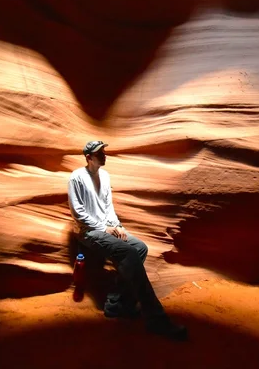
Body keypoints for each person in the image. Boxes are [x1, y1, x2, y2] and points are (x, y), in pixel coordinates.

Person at [67, 140, 188, 341]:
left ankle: (116, 305)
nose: (104, 155)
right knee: (129, 252)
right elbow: (77, 212)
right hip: (88, 232)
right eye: (100, 153)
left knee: (139, 248)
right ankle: (155, 318)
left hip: (108, 227)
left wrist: (118, 226)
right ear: (89, 157)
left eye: (104, 151)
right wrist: (103, 228)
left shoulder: (104, 176)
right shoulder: (76, 178)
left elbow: (108, 207)